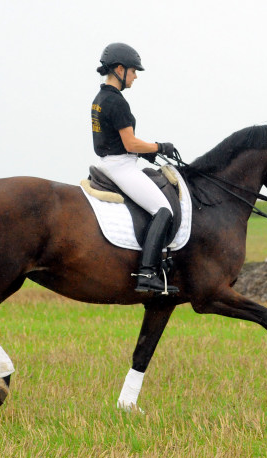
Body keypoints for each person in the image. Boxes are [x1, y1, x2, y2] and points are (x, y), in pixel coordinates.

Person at [91, 42, 179, 294]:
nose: (135, 76)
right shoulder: (116, 102)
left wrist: (147, 153)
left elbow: (117, 140)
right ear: (120, 69)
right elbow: (129, 143)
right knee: (163, 210)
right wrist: (159, 147)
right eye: (133, 71)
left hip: (110, 162)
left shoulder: (100, 98)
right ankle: (147, 272)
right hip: (120, 166)